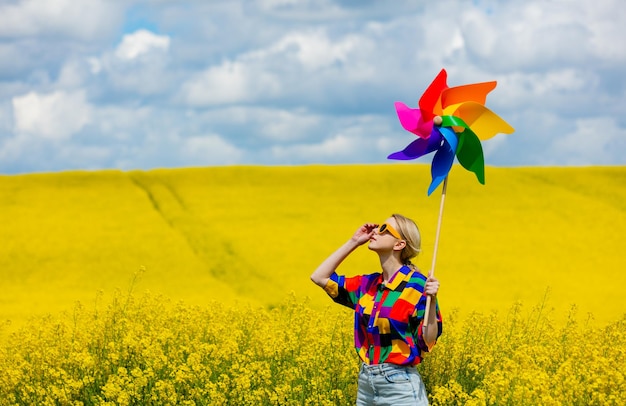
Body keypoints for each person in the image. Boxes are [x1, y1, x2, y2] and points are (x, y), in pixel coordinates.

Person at [311, 213, 442, 406]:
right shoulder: (368, 285)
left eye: (384, 230)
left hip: (401, 386)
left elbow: (428, 339)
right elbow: (319, 277)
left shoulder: (418, 285)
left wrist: (432, 299)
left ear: (399, 244)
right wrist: (354, 241)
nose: (376, 232)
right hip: (367, 384)